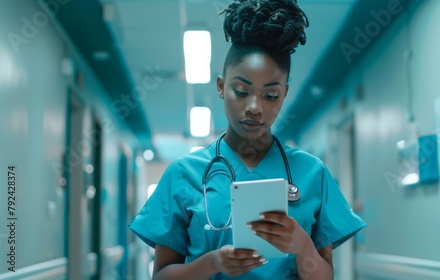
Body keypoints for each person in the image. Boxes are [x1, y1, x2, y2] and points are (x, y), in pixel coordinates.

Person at [128, 0, 366, 279]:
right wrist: (212, 263)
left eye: (270, 95)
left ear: (285, 94)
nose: (254, 106)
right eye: (241, 91)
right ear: (221, 87)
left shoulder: (312, 173)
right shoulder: (183, 174)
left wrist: (302, 247)